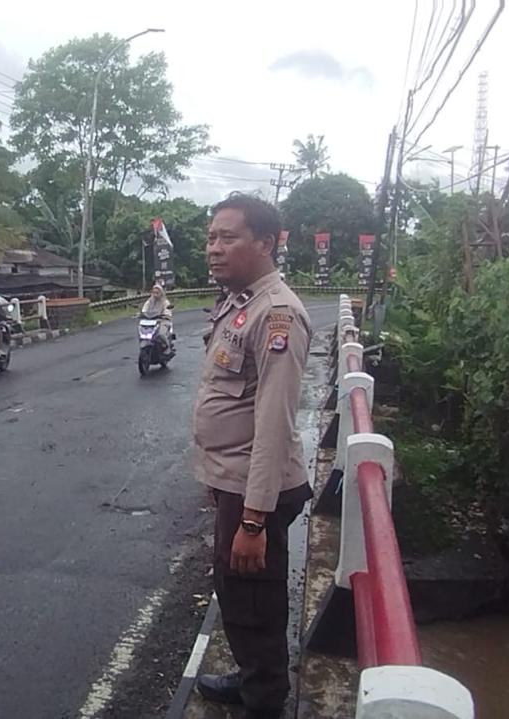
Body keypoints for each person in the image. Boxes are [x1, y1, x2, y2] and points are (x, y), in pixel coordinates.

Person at [193, 193, 314, 719]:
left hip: (255, 491)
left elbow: (273, 425)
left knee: (254, 600)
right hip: (235, 481)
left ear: (265, 243)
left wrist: (253, 519)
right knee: (236, 590)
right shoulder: (240, 302)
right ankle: (251, 680)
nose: (214, 248)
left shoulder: (276, 314)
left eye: (228, 237)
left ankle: (264, 702)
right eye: (211, 238)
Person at [139, 282, 174, 347]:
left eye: (157, 293)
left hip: (162, 321)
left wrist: (165, 315)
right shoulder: (149, 301)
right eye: (154, 292)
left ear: (161, 293)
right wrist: (142, 314)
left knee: (161, 334)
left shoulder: (165, 302)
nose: (155, 294)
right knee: (143, 332)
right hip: (150, 321)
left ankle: (166, 346)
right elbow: (144, 309)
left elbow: (167, 310)